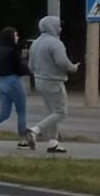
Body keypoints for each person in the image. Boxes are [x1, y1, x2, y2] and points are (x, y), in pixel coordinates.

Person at [27, 15, 80, 154]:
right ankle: (35, 131)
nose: (60, 28)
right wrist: (73, 68)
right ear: (53, 27)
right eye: (58, 25)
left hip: (39, 80)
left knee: (52, 112)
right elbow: (62, 62)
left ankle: (53, 143)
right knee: (61, 112)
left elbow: (30, 65)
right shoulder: (55, 43)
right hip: (54, 81)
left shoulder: (36, 42)